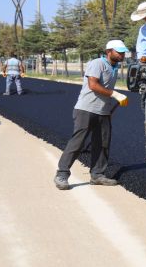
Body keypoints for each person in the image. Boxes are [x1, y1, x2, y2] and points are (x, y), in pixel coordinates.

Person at [53, 40, 130, 190]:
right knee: (78, 142)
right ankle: (62, 174)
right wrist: (114, 94)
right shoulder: (97, 63)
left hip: (103, 111)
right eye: (119, 52)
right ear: (109, 51)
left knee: (102, 143)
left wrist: (110, 105)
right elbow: (93, 85)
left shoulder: (114, 67)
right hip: (86, 109)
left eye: (123, 52)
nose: (122, 55)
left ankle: (97, 175)